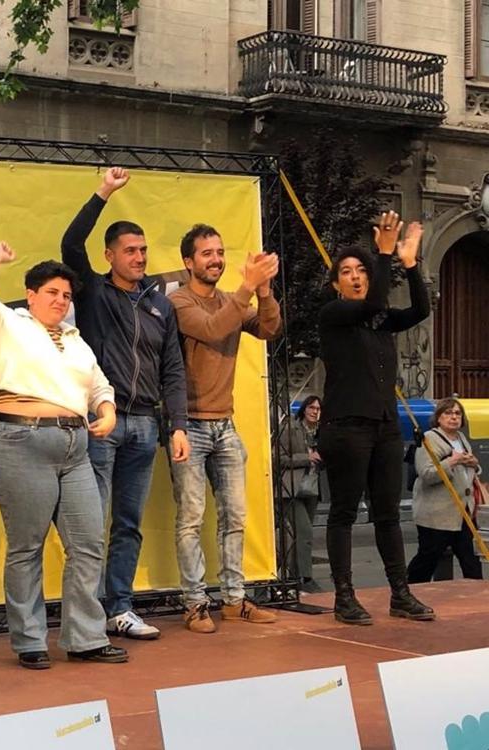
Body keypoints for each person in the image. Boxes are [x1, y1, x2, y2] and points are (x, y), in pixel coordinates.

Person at [0, 241, 128, 669]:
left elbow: (99, 384)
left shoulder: (75, 340)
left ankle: (86, 638)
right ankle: (30, 640)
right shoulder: (5, 323)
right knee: (27, 546)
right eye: (52, 292)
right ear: (30, 295)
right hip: (21, 440)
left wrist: (107, 410)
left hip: (75, 446)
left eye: (66, 295)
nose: (60, 300)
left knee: (88, 543)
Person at [60, 167, 190, 641]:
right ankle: (88, 613)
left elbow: (173, 368)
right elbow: (70, 244)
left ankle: (120, 608)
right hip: (103, 421)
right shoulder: (95, 291)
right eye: (130, 250)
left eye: (143, 250)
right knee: (92, 523)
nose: (139, 257)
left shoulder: (161, 305)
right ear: (109, 256)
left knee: (129, 523)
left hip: (146, 426)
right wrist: (103, 193)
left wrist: (177, 424)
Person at [318, 211, 435, 625]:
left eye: (361, 270)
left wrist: (410, 263)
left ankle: (400, 593)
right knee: (344, 512)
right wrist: (383, 254)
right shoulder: (334, 315)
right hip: (345, 425)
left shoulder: (381, 320)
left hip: (384, 425)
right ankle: (344, 597)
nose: (355, 276)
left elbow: (420, 309)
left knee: (387, 513)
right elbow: (373, 302)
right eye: (346, 272)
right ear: (336, 284)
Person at [169, 224, 282, 633]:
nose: (216, 259)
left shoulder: (229, 300)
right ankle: (195, 603)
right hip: (189, 426)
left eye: (219, 252)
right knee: (191, 519)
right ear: (188, 262)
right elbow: (212, 328)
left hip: (225, 425)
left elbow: (269, 329)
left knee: (235, 516)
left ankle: (234, 600)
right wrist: (247, 288)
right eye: (207, 253)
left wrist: (264, 291)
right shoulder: (179, 301)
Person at [407, 398, 483, 583]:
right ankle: (410, 589)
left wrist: (474, 465)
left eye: (457, 413)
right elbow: (426, 474)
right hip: (437, 515)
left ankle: (477, 593)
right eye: (448, 413)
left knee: (471, 560)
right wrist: (452, 461)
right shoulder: (429, 439)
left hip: (463, 512)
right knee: (427, 559)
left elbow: (468, 471)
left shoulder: (461, 438)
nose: (454, 417)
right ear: (438, 418)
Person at [279, 396, 324, 593]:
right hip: (292, 489)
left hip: (312, 489)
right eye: (312, 407)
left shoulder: (321, 432)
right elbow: (277, 457)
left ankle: (293, 577)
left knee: (301, 536)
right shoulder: (291, 428)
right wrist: (306, 458)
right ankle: (305, 578)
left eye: (318, 409)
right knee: (304, 532)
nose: (315, 411)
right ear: (304, 409)